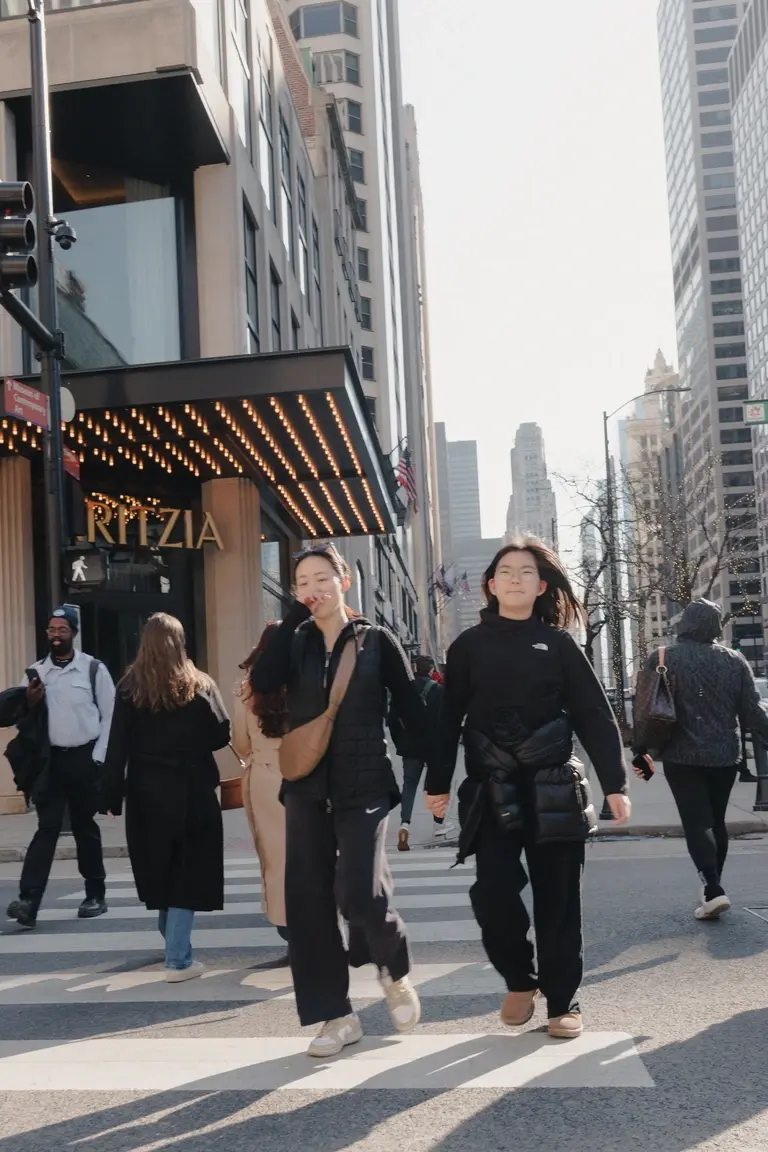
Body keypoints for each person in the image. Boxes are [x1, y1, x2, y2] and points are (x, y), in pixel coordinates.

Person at [426, 539, 630, 1040]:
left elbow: (594, 714)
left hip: (554, 786)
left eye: (526, 571)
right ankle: (520, 979)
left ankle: (562, 1002)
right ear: (491, 585)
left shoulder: (558, 645)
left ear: (541, 587)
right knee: (492, 893)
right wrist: (437, 783)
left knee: (558, 902)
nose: (515, 577)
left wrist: (615, 785)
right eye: (506, 571)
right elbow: (447, 719)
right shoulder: (467, 647)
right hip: (492, 788)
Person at [249, 543, 433, 1058]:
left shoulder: (376, 641)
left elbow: (410, 711)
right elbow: (263, 681)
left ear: (344, 581)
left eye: (322, 579)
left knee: (361, 891)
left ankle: (393, 969)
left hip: (364, 785)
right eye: (303, 583)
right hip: (306, 789)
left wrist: (436, 777)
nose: (314, 590)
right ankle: (336, 1016)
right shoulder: (296, 642)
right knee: (308, 905)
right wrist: (292, 618)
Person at [99, 613, 230, 982]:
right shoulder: (199, 684)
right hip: (192, 791)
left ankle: (173, 940)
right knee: (187, 873)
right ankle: (178, 959)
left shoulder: (129, 687)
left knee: (161, 869)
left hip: (147, 793)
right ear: (180, 643)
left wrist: (111, 794)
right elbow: (221, 736)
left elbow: (117, 745)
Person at [634, 599, 768, 921]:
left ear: (685, 623)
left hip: (681, 756)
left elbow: (644, 712)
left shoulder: (662, 657)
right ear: (716, 626)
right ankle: (713, 887)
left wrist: (641, 756)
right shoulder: (734, 660)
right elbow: (752, 711)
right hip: (724, 756)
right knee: (716, 821)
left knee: (696, 822)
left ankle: (712, 889)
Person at [6, 606, 115, 931]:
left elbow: (111, 716)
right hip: (50, 762)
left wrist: (99, 757)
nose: (56, 635)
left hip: (84, 757)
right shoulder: (37, 672)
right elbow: (23, 717)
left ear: (73, 633)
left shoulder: (93, 669)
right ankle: (28, 901)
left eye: (62, 629)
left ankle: (95, 894)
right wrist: (31, 701)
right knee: (47, 827)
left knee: (84, 826)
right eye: (51, 629)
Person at [234, 623, 290, 964]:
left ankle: (290, 933)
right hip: (305, 774)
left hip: (266, 779)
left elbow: (240, 742)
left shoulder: (248, 689)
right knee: (313, 854)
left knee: (275, 858)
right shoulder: (306, 682)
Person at [390, 653, 453, 851]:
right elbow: (446, 721)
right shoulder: (439, 691)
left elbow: (392, 720)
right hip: (432, 746)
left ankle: (404, 825)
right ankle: (438, 825)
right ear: (432, 670)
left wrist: (400, 741)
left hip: (410, 747)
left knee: (409, 785)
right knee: (434, 785)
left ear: (415, 669)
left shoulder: (403, 690)